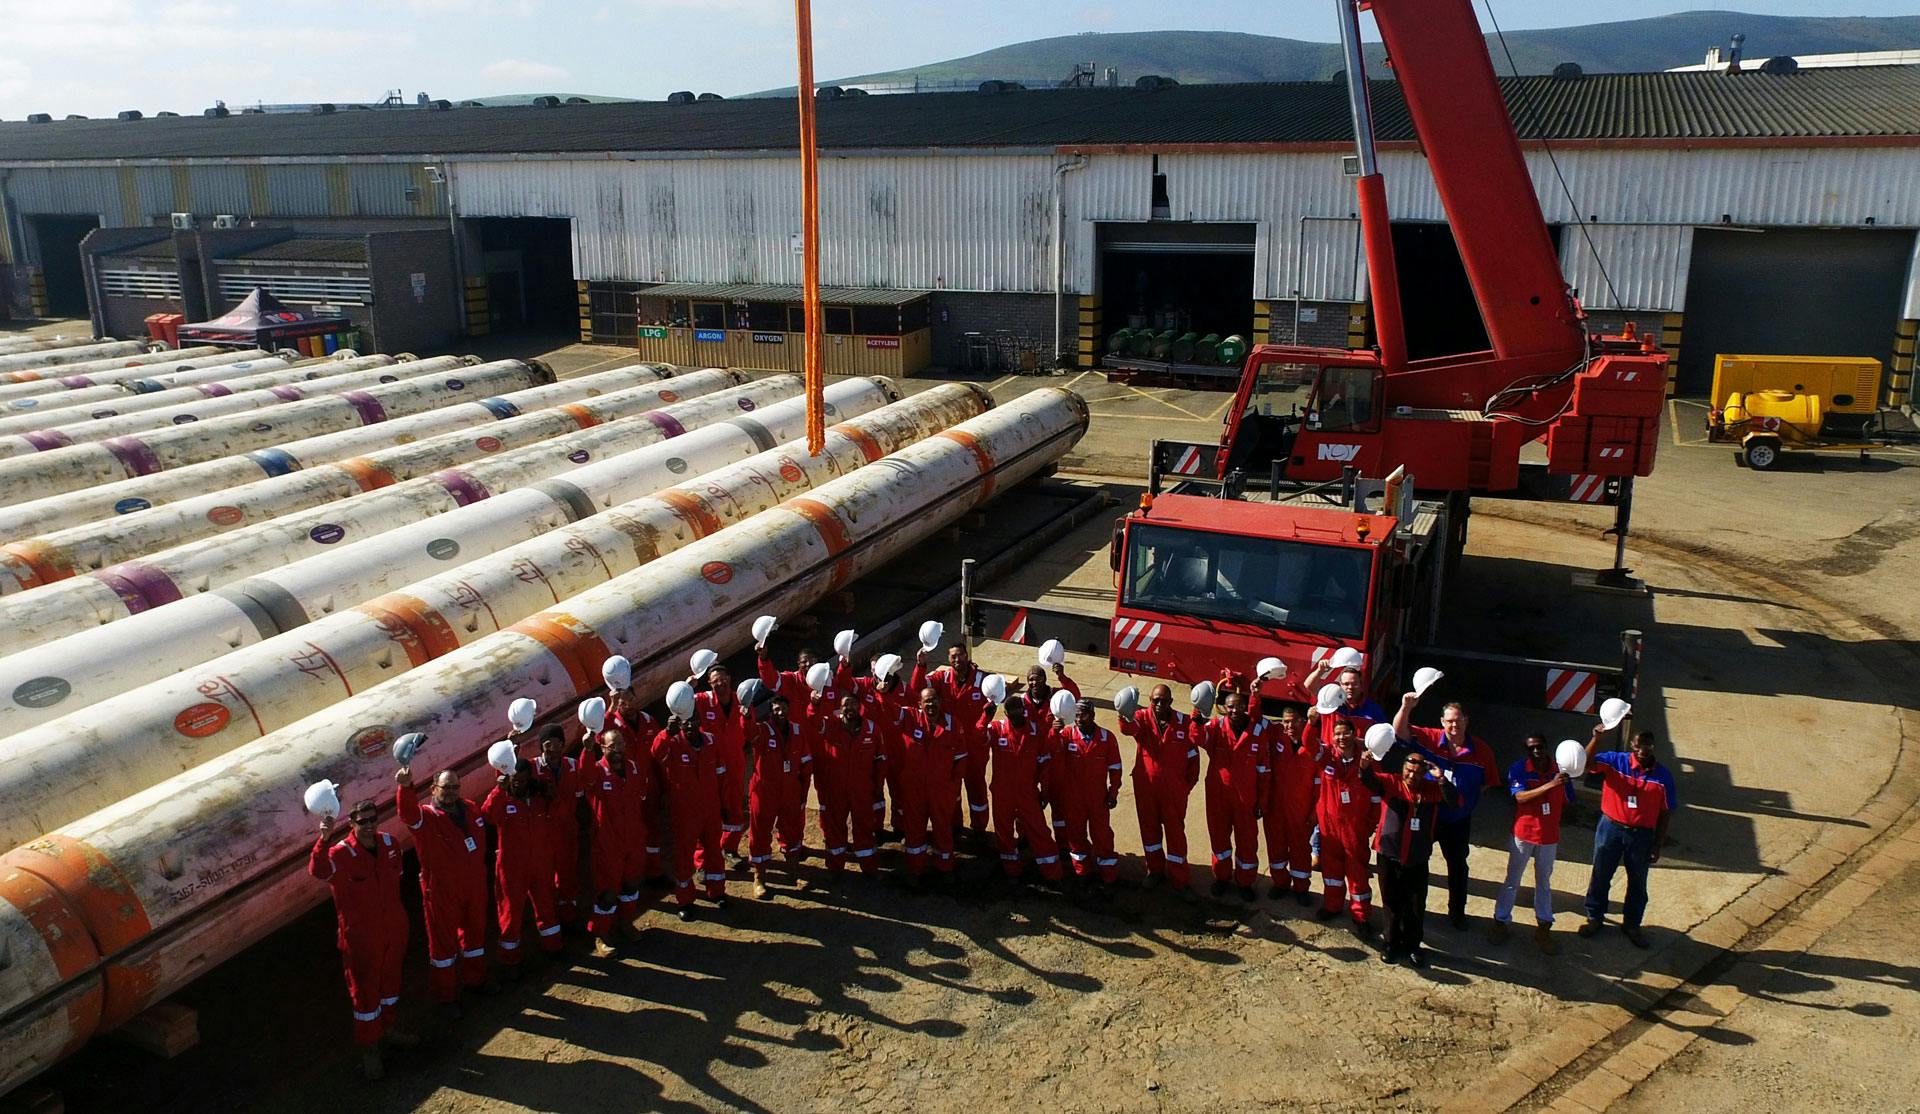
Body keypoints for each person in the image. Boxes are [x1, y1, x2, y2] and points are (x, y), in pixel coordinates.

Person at [309, 796, 416, 1079]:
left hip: (392, 927)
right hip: (361, 937)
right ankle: (370, 1049)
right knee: (365, 993)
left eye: (373, 819)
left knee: (391, 983)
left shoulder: (391, 844)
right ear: (351, 824)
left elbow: (397, 876)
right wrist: (323, 838)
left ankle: (389, 1030)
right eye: (362, 821)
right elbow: (318, 870)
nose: (369, 826)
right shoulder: (339, 854)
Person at [1393, 691, 1497, 929]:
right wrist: (1406, 707)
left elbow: (1489, 782)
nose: (1454, 725)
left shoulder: (1482, 751)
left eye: (1458, 720)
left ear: (1466, 721)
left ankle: (1457, 913)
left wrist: (1465, 800)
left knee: (1458, 867)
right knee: (1417, 863)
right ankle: (1412, 911)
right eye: (1449, 720)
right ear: (1442, 723)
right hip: (1430, 816)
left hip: (1459, 821)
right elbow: (1399, 731)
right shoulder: (1429, 738)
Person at [395, 767, 490, 1013]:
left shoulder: (469, 807)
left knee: (475, 936)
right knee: (443, 946)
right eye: (445, 788)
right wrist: (405, 788)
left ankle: (475, 981)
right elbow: (406, 813)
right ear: (433, 789)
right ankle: (446, 996)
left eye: (454, 787)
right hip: (441, 890)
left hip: (473, 885)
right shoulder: (425, 818)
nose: (450, 793)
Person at [1581, 727, 1678, 948]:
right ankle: (1595, 917)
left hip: (1641, 836)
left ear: (1653, 746)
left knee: (1637, 882)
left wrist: (1657, 844)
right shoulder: (1615, 761)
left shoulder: (1663, 777)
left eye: (1647, 745)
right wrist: (1596, 738)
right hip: (1610, 829)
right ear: (1631, 746)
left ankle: (1632, 924)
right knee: (1601, 874)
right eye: (1637, 744)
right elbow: (1585, 764)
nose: (1642, 749)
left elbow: (1666, 812)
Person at [1360, 747, 1458, 967]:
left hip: (1417, 857)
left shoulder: (1432, 790)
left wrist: (1441, 778)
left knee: (1415, 905)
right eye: (1408, 770)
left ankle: (1413, 946)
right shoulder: (1390, 783)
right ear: (1402, 769)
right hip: (1389, 854)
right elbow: (1369, 781)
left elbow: (1454, 801)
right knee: (1391, 903)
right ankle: (1391, 944)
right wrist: (1364, 767)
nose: (1412, 775)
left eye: (1416, 772)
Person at [1491, 733, 1576, 953]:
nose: (1536, 751)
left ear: (1546, 748)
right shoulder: (1518, 769)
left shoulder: (1560, 769)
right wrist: (1550, 785)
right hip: (1523, 834)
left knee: (1544, 882)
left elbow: (1568, 799)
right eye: (1531, 749)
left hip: (1548, 837)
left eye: (1539, 747)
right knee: (1513, 879)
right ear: (1526, 752)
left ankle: (1544, 926)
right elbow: (1520, 797)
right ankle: (1501, 920)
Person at [483, 756, 565, 971]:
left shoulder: (539, 798)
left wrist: (553, 795)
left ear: (530, 778)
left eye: (522, 779)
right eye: (514, 779)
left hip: (541, 862)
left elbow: (557, 812)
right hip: (512, 867)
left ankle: (553, 947)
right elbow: (488, 816)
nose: (518, 783)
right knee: (510, 914)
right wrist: (498, 791)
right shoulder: (504, 800)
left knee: (547, 905)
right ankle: (510, 961)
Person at [1117, 684, 1201, 891]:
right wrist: (1123, 713)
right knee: (1150, 831)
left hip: (1174, 793)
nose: (1160, 704)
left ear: (1171, 702)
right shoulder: (1142, 718)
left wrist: (1184, 787)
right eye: (1156, 700)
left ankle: (1179, 878)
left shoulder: (1183, 723)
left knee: (1175, 834)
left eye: (1164, 701)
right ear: (1149, 700)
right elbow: (1128, 728)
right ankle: (1154, 870)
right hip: (1146, 790)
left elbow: (1193, 759)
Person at [977, 687, 1064, 884]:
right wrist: (985, 717)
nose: (1016, 719)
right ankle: (1012, 870)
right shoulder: (997, 729)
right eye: (1012, 715)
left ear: (1025, 712)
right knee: (1004, 831)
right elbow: (978, 738)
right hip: (1002, 792)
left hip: (1027, 792)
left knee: (1039, 830)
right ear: (1006, 714)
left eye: (1019, 714)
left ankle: (1053, 872)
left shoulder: (1036, 733)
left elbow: (1044, 763)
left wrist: (1045, 791)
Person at [652, 713, 731, 919]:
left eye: (693, 720)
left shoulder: (711, 741)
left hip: (711, 809)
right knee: (683, 856)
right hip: (685, 813)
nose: (689, 725)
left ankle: (717, 891)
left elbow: (721, 773)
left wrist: (725, 803)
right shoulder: (673, 743)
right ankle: (685, 900)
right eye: (685, 721)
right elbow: (656, 755)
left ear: (699, 721)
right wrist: (665, 733)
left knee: (714, 850)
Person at [915, 644, 992, 840]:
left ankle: (979, 829)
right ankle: (954, 825)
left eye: (960, 655)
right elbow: (919, 689)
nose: (956, 660)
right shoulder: (942, 679)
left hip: (974, 748)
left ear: (967, 656)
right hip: (949, 747)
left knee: (977, 791)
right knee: (951, 788)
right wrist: (920, 665)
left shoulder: (983, 680)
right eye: (952, 656)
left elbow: (996, 697)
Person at [584, 728, 652, 947]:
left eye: (621, 744)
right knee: (608, 891)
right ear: (602, 748)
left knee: (631, 884)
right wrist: (586, 751)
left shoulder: (632, 768)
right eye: (612, 746)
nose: (618, 750)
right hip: (608, 844)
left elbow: (641, 794)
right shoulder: (596, 772)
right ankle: (601, 934)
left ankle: (626, 923)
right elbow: (583, 776)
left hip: (633, 838)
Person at [1308, 713, 1374, 931]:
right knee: (1332, 872)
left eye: (1346, 733)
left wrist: (1368, 825)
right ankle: (1332, 905)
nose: (1341, 737)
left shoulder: (1367, 762)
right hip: (1329, 827)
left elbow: (1376, 797)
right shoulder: (1327, 756)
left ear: (1355, 735)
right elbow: (1309, 743)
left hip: (1355, 829)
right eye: (1337, 734)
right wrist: (1312, 722)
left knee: (1357, 875)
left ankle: (1361, 915)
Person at [896, 685, 969, 884]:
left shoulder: (953, 724)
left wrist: (953, 787)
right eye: (926, 701)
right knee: (915, 829)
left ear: (940, 701)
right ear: (919, 704)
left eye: (934, 699)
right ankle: (915, 869)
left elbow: (960, 760)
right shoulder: (909, 718)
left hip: (941, 789)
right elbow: (887, 709)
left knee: (943, 828)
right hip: (914, 789)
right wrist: (885, 687)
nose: (931, 704)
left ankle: (944, 867)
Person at [1202, 690, 1270, 900]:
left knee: (1247, 842)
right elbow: (1196, 737)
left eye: (1238, 706)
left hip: (1246, 800)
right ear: (1224, 707)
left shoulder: (1258, 732)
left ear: (1245, 707)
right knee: (1219, 839)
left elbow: (1264, 771)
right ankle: (1221, 877)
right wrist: (1198, 713)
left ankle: (1245, 882)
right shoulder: (1215, 727)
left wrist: (1262, 801)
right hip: (1218, 796)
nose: (1234, 710)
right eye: (1230, 706)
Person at [1053, 698, 1123, 889]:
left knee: (1103, 836)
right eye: (1075, 715)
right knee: (1076, 837)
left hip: (1098, 800)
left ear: (1092, 715)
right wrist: (1054, 732)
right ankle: (1083, 873)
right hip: (1073, 799)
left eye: (1082, 715)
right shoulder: (1066, 735)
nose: (1078, 719)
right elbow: (1052, 752)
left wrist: (1113, 792)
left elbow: (1115, 768)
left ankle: (1108, 876)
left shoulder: (1107, 739)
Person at [746, 694, 812, 897]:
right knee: (760, 834)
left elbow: (806, 762)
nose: (780, 712)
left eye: (783, 708)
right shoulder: (762, 730)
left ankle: (793, 873)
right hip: (764, 791)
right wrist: (746, 714)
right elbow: (748, 733)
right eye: (776, 709)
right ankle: (759, 879)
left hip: (790, 790)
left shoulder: (798, 731)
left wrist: (803, 790)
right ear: (770, 712)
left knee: (792, 831)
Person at [814, 693, 885, 874]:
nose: (850, 708)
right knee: (835, 828)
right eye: (846, 704)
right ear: (840, 708)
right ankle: (835, 867)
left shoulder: (871, 728)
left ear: (860, 706)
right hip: (836, 790)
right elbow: (812, 721)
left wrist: (877, 786)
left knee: (864, 827)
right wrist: (815, 704)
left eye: (853, 704)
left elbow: (880, 759)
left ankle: (868, 867)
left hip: (862, 789)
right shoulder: (830, 725)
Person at [606, 684, 667, 888]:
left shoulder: (649, 722)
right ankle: (627, 878)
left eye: (631, 700)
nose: (628, 705)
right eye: (623, 702)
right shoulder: (612, 725)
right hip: (626, 792)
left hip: (649, 788)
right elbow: (600, 737)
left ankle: (654, 871)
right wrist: (611, 707)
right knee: (627, 835)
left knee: (653, 830)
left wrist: (664, 788)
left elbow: (659, 756)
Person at [1016, 661, 1081, 844]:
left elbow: (1074, 695)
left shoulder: (1056, 696)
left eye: (1036, 679)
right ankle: (1024, 836)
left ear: (1044, 680)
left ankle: (1062, 842)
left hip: (1053, 759)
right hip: (1030, 759)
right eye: (1030, 680)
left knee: (1058, 802)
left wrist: (1062, 677)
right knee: (1025, 801)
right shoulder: (1022, 701)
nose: (1033, 683)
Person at [689, 662, 749, 857]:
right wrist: (689, 685)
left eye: (723, 679)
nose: (720, 684)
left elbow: (750, 728)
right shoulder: (702, 700)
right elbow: (679, 701)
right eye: (715, 681)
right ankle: (702, 859)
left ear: (730, 679)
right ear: (709, 683)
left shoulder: (741, 700)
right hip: (709, 767)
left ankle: (729, 848)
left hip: (734, 765)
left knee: (735, 808)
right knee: (706, 813)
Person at [532, 725, 587, 927]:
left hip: (566, 832)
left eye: (558, 744)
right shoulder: (531, 769)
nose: (553, 748)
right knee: (544, 878)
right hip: (542, 836)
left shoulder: (573, 766)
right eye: (548, 744)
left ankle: (568, 914)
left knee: (567, 875)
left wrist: (580, 828)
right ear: (541, 746)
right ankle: (549, 919)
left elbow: (581, 800)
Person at [1265, 704, 1318, 905]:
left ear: (1302, 721)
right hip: (1276, 807)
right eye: (1286, 721)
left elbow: (1319, 784)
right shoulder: (1275, 740)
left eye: (1294, 721)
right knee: (1276, 846)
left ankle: (1301, 888)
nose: (1289, 725)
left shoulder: (1312, 747)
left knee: (1300, 850)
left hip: (1301, 809)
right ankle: (1280, 883)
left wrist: (1314, 812)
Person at [1303, 658, 1389, 728]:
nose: (1350, 687)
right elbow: (1309, 686)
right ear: (1340, 685)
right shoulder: (1330, 700)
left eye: (1354, 684)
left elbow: (1383, 734)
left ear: (1361, 685)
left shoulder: (1373, 709)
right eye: (1346, 684)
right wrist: (1320, 670)